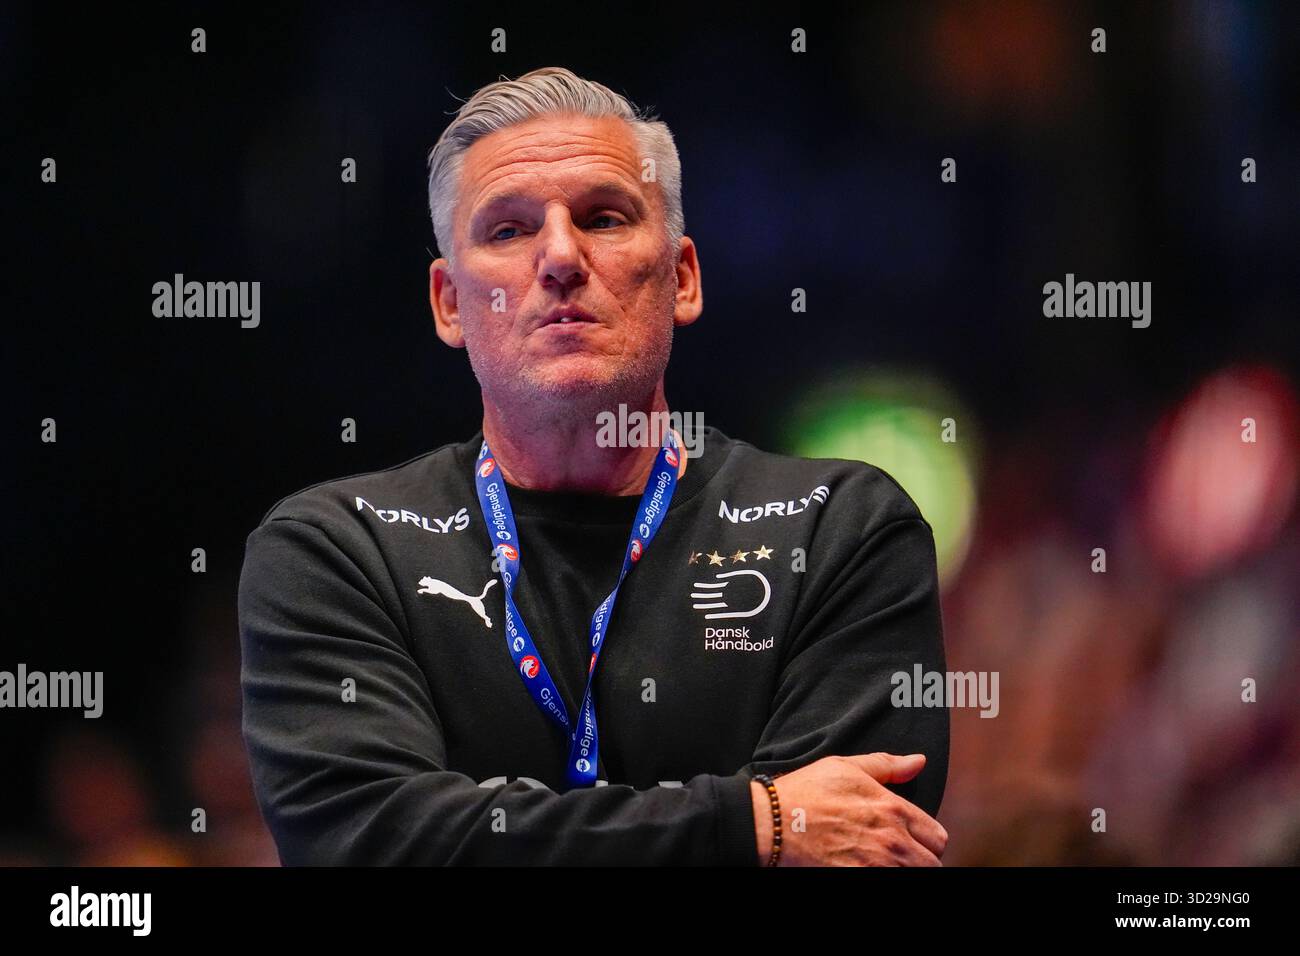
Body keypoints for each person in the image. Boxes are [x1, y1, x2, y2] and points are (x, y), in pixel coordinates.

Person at [237, 66, 949, 865]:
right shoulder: (336, 553)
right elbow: (377, 846)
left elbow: (865, 847)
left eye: (604, 218)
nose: (561, 256)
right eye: (506, 230)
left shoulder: (839, 528)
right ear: (449, 304)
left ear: (681, 277)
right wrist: (754, 825)